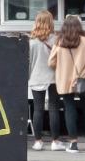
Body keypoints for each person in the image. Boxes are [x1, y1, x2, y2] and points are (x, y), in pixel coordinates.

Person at [48, 15, 85, 154]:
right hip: (82, 80)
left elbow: (51, 62)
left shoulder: (59, 41)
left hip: (64, 80)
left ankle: (73, 144)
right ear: (79, 26)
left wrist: (61, 67)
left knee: (69, 109)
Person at [26, 11, 62, 151]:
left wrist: (29, 76)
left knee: (38, 109)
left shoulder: (31, 41)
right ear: (51, 22)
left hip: (36, 77)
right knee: (54, 109)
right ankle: (55, 142)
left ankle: (38, 141)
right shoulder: (57, 40)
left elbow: (28, 62)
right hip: (54, 77)